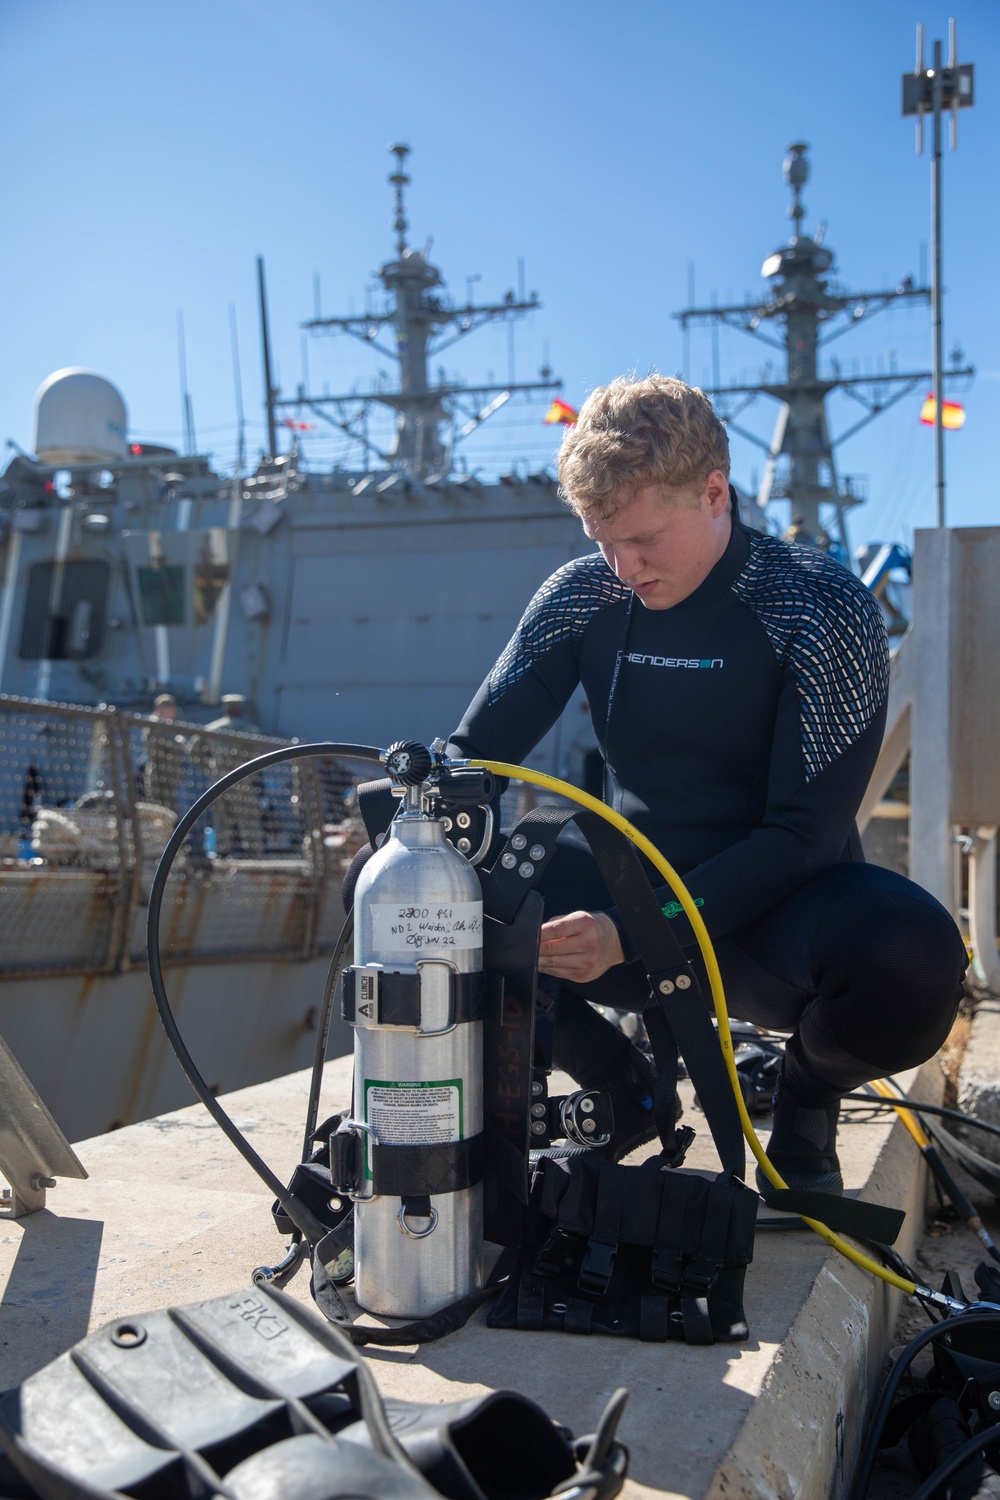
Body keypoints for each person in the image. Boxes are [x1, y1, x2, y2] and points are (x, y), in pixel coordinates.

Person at [448, 374, 967, 1193]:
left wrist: (632, 932)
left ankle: (804, 1094)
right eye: (601, 540)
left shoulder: (817, 605)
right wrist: (423, 823)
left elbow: (799, 838)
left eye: (644, 539)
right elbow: (470, 760)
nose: (623, 567)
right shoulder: (583, 595)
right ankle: (621, 1084)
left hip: (778, 919)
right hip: (630, 886)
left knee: (915, 960)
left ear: (714, 492)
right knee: (408, 886)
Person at [142, 693, 186, 814]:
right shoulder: (154, 725)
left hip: (169, 775)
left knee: (169, 810)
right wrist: (179, 742)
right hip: (159, 775)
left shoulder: (168, 726)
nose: (173, 713)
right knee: (159, 809)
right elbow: (165, 742)